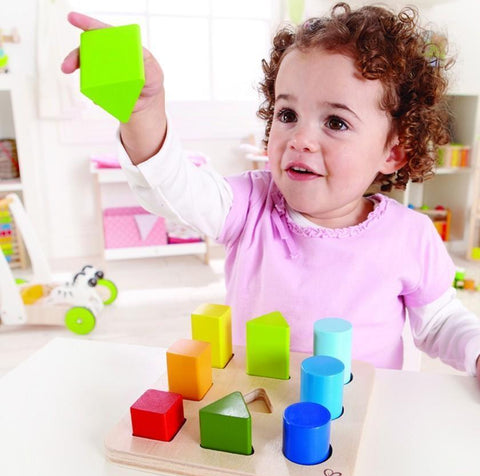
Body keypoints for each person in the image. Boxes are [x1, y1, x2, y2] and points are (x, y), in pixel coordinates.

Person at [62, 3, 480, 383]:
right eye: (287, 114)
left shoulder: (410, 235)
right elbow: (176, 190)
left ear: (394, 151)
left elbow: (440, 322)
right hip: (259, 408)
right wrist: (142, 112)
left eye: (335, 122)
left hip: (361, 418)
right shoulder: (251, 206)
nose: (300, 138)